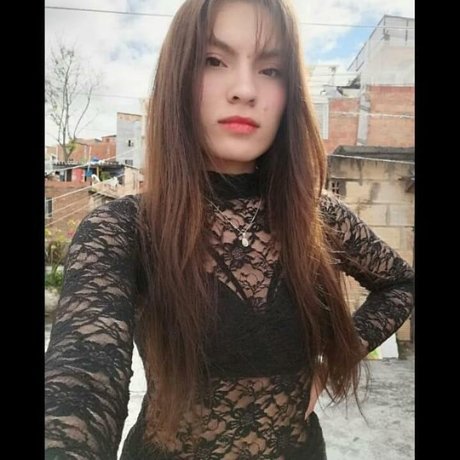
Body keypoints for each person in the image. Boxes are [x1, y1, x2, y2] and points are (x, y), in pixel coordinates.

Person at [44, 0, 414, 458]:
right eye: (214, 61)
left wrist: (332, 361)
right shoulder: (123, 229)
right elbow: (82, 376)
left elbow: (400, 283)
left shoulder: (319, 216)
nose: (244, 90)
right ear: (179, 77)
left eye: (271, 69)